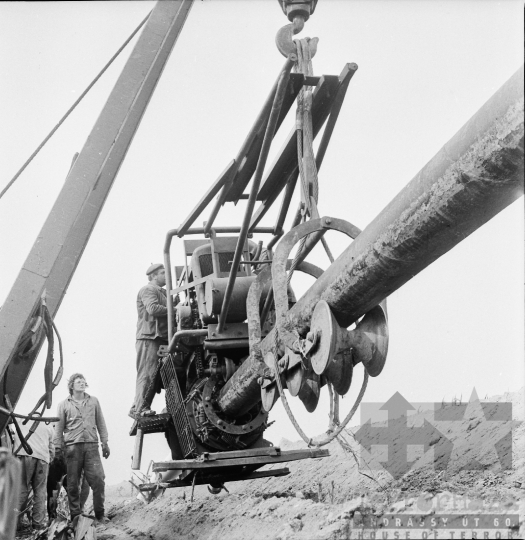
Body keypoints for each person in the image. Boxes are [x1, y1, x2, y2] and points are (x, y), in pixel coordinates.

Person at [54, 374, 110, 526]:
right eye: (78, 382)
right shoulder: (63, 405)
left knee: (98, 479)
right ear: (71, 385)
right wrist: (57, 448)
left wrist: (105, 442)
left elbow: (101, 422)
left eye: (84, 381)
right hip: (72, 448)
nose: (82, 383)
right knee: (72, 484)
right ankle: (76, 516)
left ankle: (100, 514)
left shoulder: (94, 401)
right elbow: (58, 428)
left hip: (92, 446)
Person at [130, 263, 177, 419]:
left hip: (160, 338)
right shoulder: (148, 290)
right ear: (154, 276)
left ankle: (138, 405)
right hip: (149, 337)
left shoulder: (163, 293)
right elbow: (153, 309)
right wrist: (175, 309)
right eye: (163, 272)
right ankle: (140, 409)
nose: (166, 275)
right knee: (147, 373)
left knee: (154, 375)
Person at [14, 417, 54, 530]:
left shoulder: (20, 420)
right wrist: (48, 460)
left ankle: (14, 522)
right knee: (40, 491)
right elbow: (52, 447)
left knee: (21, 489)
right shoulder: (48, 425)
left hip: (23, 456)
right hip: (42, 458)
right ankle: (37, 524)